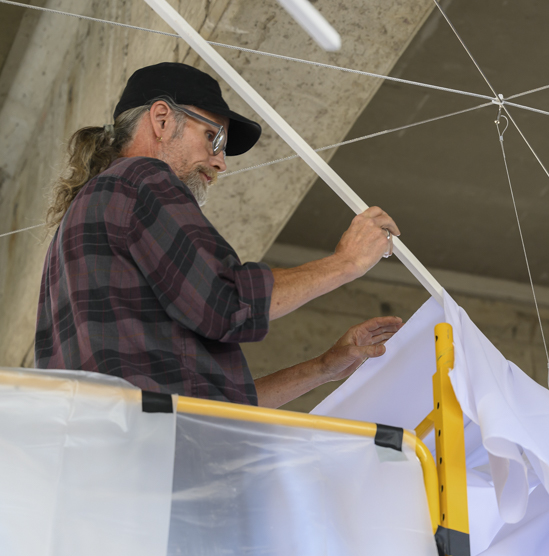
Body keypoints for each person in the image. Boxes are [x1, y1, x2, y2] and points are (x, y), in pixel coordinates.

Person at [35, 62, 403, 408]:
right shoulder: (142, 178)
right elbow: (226, 304)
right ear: (162, 119)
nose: (220, 162)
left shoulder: (78, 232)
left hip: (126, 456)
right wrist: (346, 263)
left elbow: (213, 409)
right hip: (155, 455)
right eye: (212, 137)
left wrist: (323, 368)